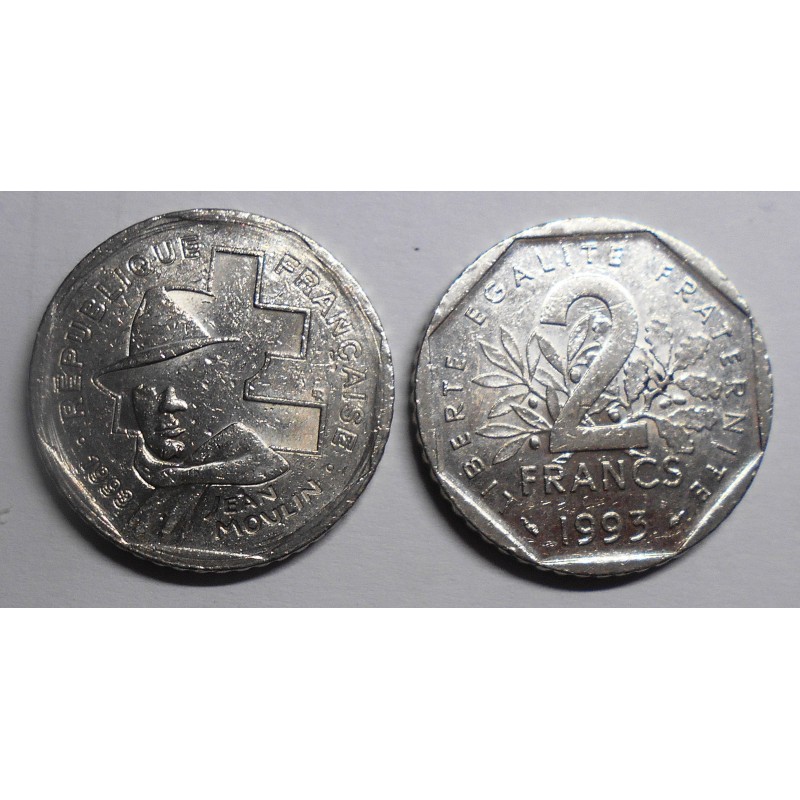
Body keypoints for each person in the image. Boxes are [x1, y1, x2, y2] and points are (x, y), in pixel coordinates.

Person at [97, 285, 289, 544]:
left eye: (185, 381)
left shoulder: (232, 442)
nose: (168, 404)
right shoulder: (140, 464)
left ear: (213, 389)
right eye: (148, 389)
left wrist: (183, 476)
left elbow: (270, 463)